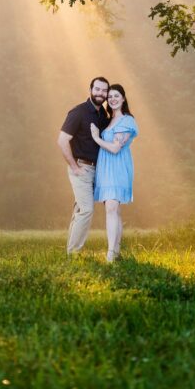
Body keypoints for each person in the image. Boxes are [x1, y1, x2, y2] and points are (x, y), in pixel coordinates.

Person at [57, 77, 109, 255]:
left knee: (80, 209)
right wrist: (74, 166)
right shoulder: (78, 112)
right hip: (81, 168)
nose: (100, 93)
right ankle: (74, 253)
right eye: (97, 89)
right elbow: (62, 140)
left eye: (104, 91)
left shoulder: (103, 115)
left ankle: (71, 253)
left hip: (96, 170)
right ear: (90, 89)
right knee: (86, 210)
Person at [90, 83, 139, 262]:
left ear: (124, 98)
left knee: (111, 207)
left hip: (118, 168)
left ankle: (110, 253)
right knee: (114, 210)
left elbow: (116, 148)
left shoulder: (127, 120)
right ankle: (116, 252)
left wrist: (96, 137)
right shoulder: (109, 120)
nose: (112, 99)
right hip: (105, 169)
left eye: (116, 96)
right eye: (110, 96)